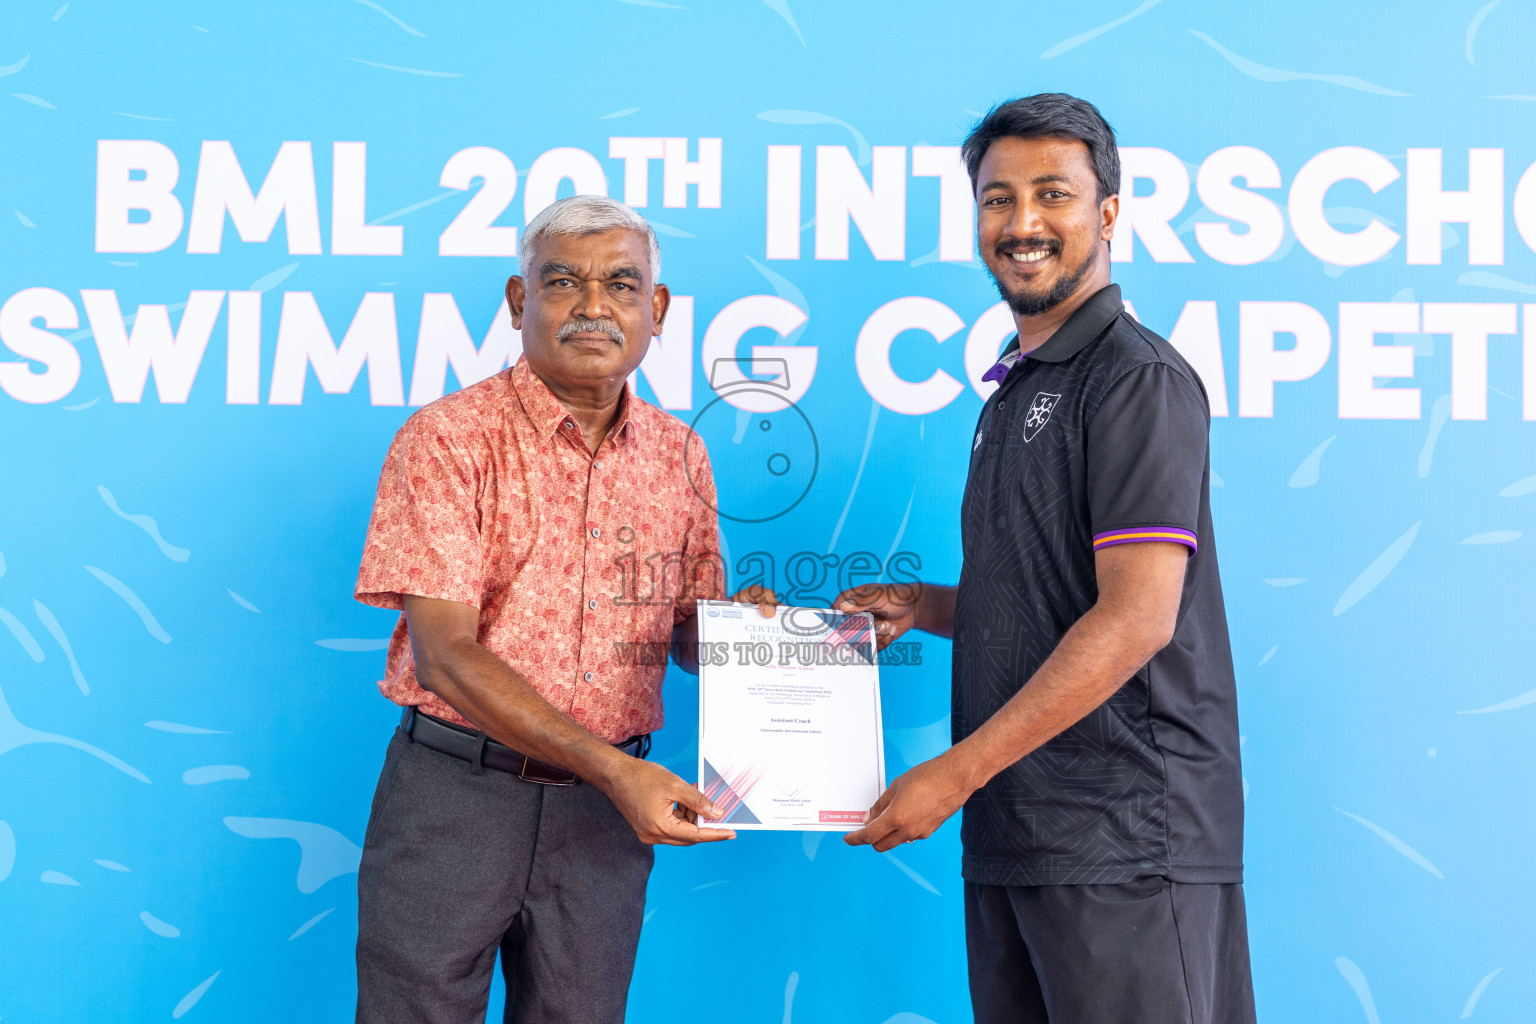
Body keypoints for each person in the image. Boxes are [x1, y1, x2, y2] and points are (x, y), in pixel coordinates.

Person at [836, 94, 1257, 1023]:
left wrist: (953, 773)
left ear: (1107, 212)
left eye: (1052, 195)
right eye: (997, 199)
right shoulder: (1019, 388)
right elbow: (1055, 591)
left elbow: (1138, 615)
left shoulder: (1136, 379)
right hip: (1021, 831)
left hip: (1125, 840)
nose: (1022, 224)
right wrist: (928, 607)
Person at [351, 195, 758, 1023]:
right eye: (564, 282)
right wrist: (616, 772)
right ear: (517, 300)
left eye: (621, 284)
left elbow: (680, 636)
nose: (594, 306)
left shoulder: (682, 453)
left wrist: (744, 636)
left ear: (658, 309)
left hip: (602, 820)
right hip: (456, 796)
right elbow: (446, 656)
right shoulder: (448, 439)